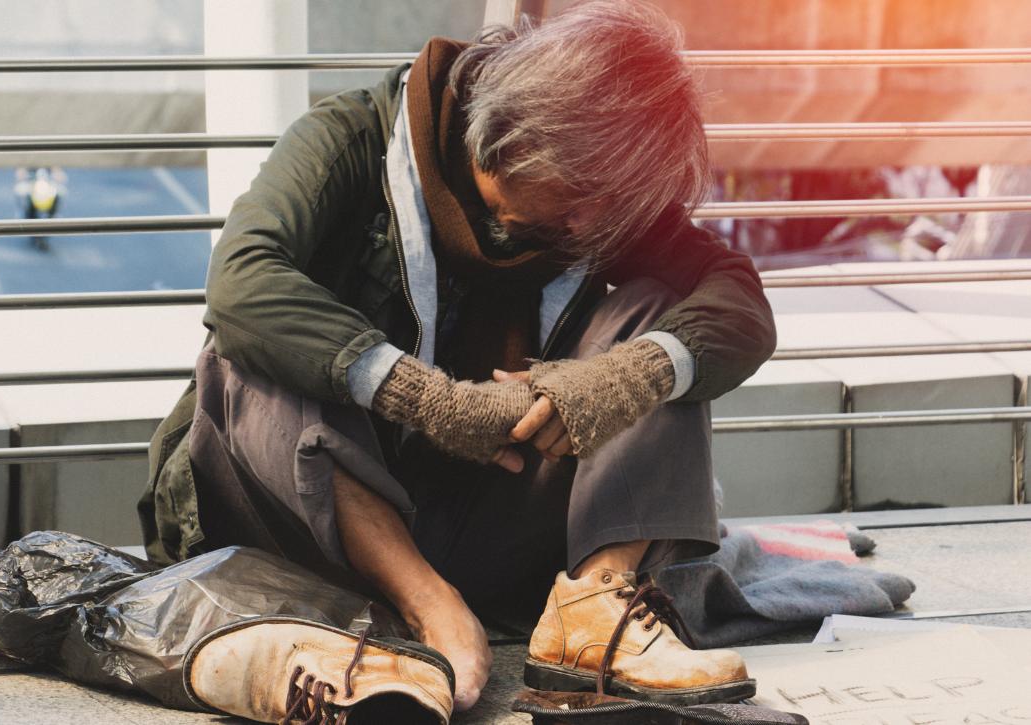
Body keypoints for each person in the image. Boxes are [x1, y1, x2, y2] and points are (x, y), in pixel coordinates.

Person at [140, 0, 777, 717]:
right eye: (582, 197)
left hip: (491, 522)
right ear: (518, 138)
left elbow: (738, 300)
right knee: (250, 349)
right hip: (312, 522)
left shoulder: (594, 203)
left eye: (611, 204)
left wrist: (628, 376)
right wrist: (428, 400)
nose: (594, 222)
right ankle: (428, 605)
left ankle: (595, 613)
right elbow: (240, 281)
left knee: (663, 318)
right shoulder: (349, 140)